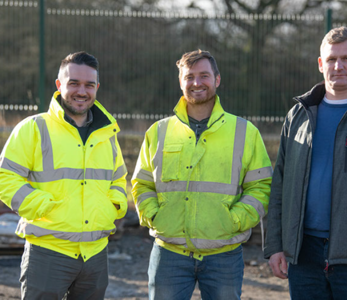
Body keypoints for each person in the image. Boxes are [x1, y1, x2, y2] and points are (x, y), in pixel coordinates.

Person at [264, 27, 347, 299]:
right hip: (304, 256)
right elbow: (280, 184)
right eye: (331, 59)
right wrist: (276, 246)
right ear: (320, 64)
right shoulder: (298, 115)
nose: (338, 66)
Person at [132, 49, 272, 300]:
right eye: (189, 77)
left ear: (217, 80)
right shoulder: (158, 131)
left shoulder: (245, 131)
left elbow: (261, 187)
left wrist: (234, 221)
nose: (196, 83)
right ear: (180, 81)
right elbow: (141, 183)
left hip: (224, 254)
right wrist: (154, 215)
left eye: (204, 76)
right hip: (169, 253)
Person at [0, 51, 128, 299]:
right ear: (59, 85)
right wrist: (42, 207)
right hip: (48, 251)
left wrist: (113, 207)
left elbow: (118, 180)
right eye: (74, 83)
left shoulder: (107, 134)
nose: (82, 91)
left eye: (89, 84)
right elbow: (5, 176)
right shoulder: (33, 128)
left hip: (95, 254)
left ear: (97, 88)